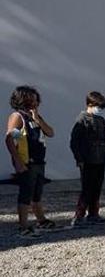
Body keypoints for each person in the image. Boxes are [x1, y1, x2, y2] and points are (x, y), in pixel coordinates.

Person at [5, 85, 56, 238]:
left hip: (39, 161)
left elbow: (50, 132)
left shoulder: (34, 116)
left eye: (36, 98)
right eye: (31, 98)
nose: (35, 102)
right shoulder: (17, 117)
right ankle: (23, 226)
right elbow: (9, 139)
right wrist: (18, 161)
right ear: (22, 99)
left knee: (37, 193)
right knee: (26, 194)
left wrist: (37, 119)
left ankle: (41, 220)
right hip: (27, 161)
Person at [70, 91, 105, 224]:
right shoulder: (81, 119)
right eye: (98, 106)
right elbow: (74, 142)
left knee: (97, 187)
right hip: (87, 159)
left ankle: (94, 214)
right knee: (87, 188)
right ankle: (79, 216)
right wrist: (79, 159)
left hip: (100, 158)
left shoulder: (101, 120)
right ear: (89, 104)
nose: (99, 110)